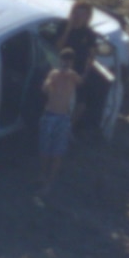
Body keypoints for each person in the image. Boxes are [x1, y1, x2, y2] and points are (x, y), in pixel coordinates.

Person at [37, 48, 83, 196]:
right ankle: (42, 177)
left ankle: (50, 182)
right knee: (45, 150)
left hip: (63, 118)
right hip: (49, 114)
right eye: (63, 61)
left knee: (57, 153)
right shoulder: (53, 74)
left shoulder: (72, 76)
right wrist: (51, 81)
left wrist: (70, 74)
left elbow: (80, 81)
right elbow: (45, 88)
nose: (65, 64)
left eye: (68, 61)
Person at [55, 0, 98, 129]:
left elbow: (92, 55)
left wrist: (85, 73)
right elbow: (57, 47)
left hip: (78, 73)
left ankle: (68, 128)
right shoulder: (63, 27)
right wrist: (68, 29)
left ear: (87, 18)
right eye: (76, 14)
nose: (78, 18)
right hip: (61, 70)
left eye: (82, 15)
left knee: (81, 105)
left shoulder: (89, 34)